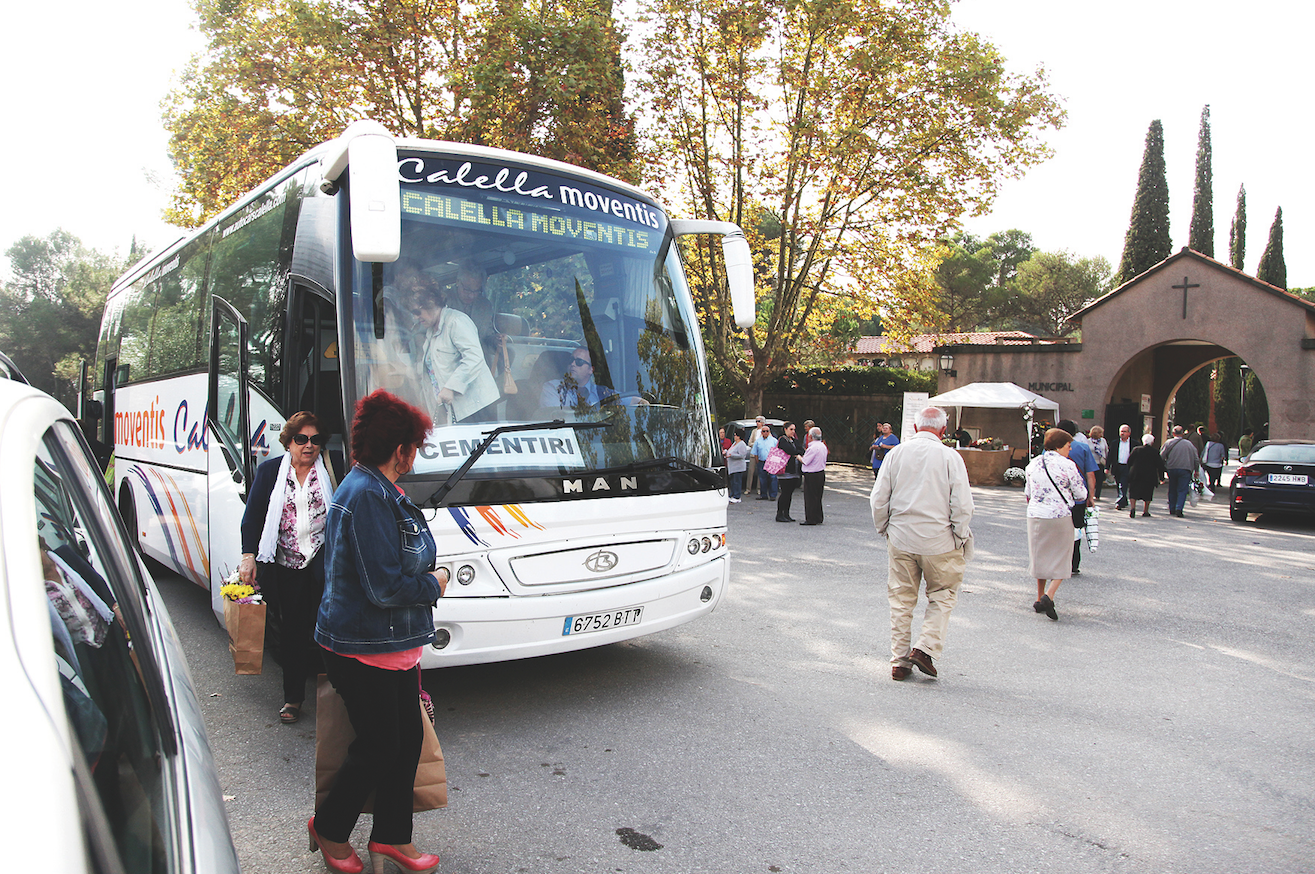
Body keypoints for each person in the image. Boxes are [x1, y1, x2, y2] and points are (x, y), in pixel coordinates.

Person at [310, 390, 447, 874]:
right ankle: (328, 826)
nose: (415, 455)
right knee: (378, 746)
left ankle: (392, 839)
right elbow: (385, 588)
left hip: (391, 646)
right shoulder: (366, 495)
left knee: (406, 743)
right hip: (361, 646)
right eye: (414, 446)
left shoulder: (379, 488)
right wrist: (436, 582)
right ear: (400, 448)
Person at [239, 411, 335, 724]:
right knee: (293, 632)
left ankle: (336, 696)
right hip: (287, 562)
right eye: (302, 439)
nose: (309, 446)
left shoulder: (331, 473)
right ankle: (293, 698)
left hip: (323, 558)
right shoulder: (270, 474)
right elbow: (253, 516)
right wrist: (248, 555)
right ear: (289, 441)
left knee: (329, 627)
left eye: (315, 440)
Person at [871, 407, 974, 680]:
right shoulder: (951, 457)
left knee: (901, 599)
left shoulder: (896, 454)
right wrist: (960, 536)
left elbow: (879, 498)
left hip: (902, 537)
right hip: (940, 540)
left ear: (915, 429)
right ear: (943, 431)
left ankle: (900, 660)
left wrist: (885, 528)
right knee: (943, 595)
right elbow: (962, 505)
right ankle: (925, 647)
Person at [409, 277, 500, 424]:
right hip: (453, 409)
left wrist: (451, 387)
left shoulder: (457, 322)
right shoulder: (431, 330)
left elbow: (474, 358)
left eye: (417, 312)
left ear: (430, 304)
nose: (415, 317)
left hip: (476, 408)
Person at [1024, 428, 1087, 621]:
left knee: (1039, 554)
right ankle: (1048, 596)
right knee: (1062, 555)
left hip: (1035, 514)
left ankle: (1038, 597)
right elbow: (1081, 494)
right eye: (1068, 446)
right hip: (1059, 515)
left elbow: (1028, 492)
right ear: (1059, 446)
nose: (1069, 450)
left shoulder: (1033, 464)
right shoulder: (1067, 465)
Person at [1057, 419, 1097, 576]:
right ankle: (1074, 563)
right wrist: (1091, 496)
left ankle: (1059, 561)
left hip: (1058, 496)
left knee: (1058, 529)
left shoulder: (1050, 450)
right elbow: (1091, 474)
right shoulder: (1083, 448)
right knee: (1076, 529)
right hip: (1078, 497)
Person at [540, 346, 619, 408]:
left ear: (591, 370)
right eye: (571, 360)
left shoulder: (602, 392)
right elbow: (557, 418)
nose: (573, 364)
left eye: (579, 362)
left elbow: (629, 400)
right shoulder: (553, 387)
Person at [1161, 425, 1202, 518]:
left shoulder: (1168, 443)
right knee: (1182, 490)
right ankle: (1179, 508)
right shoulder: (1189, 444)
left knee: (1172, 489)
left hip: (1172, 468)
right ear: (1182, 434)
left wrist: (1163, 467)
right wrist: (1196, 470)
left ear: (1173, 433)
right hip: (1185, 469)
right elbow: (1196, 458)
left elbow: (1162, 456)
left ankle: (1172, 508)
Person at [1127, 433, 1166, 517]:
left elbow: (1129, 461)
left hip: (1136, 474)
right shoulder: (1154, 452)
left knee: (1133, 492)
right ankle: (1145, 511)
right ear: (1152, 442)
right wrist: (1162, 477)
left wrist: (1129, 472)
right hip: (1149, 475)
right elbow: (1160, 465)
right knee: (1148, 493)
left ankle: (1133, 508)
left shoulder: (1136, 449)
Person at [774, 422, 804, 523]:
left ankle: (786, 513)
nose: (793, 432)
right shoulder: (782, 440)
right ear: (785, 429)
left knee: (790, 493)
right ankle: (779, 514)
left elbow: (801, 450)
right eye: (791, 429)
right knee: (785, 493)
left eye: (794, 430)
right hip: (785, 471)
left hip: (794, 471)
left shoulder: (794, 440)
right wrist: (796, 453)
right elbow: (789, 450)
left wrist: (796, 452)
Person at [800, 426, 828, 525]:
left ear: (810, 436)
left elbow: (805, 461)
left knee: (810, 497)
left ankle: (811, 518)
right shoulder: (823, 446)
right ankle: (818, 516)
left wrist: (798, 457)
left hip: (811, 474)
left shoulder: (812, 448)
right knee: (817, 496)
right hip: (820, 472)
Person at [751, 421, 779, 501]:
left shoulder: (774, 440)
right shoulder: (758, 441)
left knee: (773, 478)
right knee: (762, 479)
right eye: (764, 431)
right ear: (761, 432)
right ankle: (763, 495)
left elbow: (777, 452)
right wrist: (758, 461)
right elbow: (755, 453)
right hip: (761, 461)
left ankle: (773, 495)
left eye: (767, 431)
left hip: (771, 462)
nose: (765, 432)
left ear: (769, 432)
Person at [1112, 424, 1134, 509]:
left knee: (1123, 484)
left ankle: (1119, 502)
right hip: (1118, 466)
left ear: (1129, 433)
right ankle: (1123, 499)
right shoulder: (1115, 443)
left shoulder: (1133, 443)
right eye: (1121, 431)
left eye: (1124, 431)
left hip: (1127, 467)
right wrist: (1107, 467)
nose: (1122, 433)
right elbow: (1111, 455)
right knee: (1119, 484)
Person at [724, 429, 750, 503]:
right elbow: (730, 451)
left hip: (738, 467)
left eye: (735, 435)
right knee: (732, 482)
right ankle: (732, 495)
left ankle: (737, 496)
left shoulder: (741, 444)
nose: (734, 436)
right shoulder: (735, 443)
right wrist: (726, 452)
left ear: (739, 436)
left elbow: (742, 455)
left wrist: (731, 455)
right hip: (732, 467)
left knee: (737, 482)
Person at [1088, 425, 1109, 501]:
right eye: (1100, 433)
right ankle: (1091, 494)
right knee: (1092, 479)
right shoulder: (1088, 441)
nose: (1101, 434)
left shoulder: (1103, 441)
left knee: (1100, 479)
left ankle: (1097, 495)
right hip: (1092, 463)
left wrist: (1106, 460)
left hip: (1101, 463)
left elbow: (1106, 450)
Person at [746, 415, 766, 493]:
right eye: (756, 421)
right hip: (753, 454)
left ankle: (759, 489)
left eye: (759, 421)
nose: (757, 423)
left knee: (760, 472)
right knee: (750, 471)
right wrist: (757, 444)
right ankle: (748, 488)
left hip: (761, 454)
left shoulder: (766, 431)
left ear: (763, 423)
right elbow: (749, 442)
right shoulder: (754, 431)